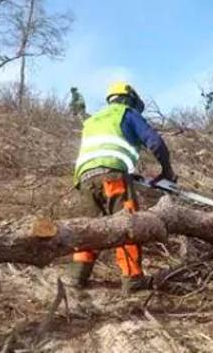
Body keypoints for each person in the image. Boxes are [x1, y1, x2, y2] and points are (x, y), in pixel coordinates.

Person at [71, 81, 176, 294]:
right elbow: (155, 142)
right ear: (129, 98)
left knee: (88, 229)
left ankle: (77, 278)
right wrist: (167, 172)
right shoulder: (126, 113)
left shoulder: (93, 120)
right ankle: (133, 280)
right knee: (128, 226)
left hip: (85, 180)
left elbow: (104, 151)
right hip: (112, 178)